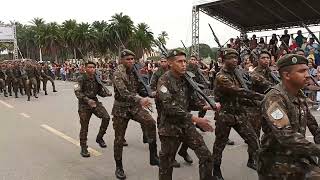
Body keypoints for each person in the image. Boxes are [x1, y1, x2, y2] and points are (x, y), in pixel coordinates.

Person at [157, 49, 219, 180]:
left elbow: (192, 101)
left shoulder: (186, 79)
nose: (184, 64)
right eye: (180, 61)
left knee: (206, 156)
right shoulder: (164, 80)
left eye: (185, 61)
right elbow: (169, 107)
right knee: (166, 165)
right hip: (170, 128)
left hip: (186, 125)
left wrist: (206, 105)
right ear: (170, 63)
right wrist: (195, 119)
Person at [258, 54, 320, 180]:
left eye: (307, 70)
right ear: (287, 75)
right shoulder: (274, 98)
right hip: (277, 162)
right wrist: (317, 149)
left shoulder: (299, 94)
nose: (307, 74)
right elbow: (286, 136)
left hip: (297, 156)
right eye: (302, 71)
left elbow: (312, 124)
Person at [212, 48, 262, 180]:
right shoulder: (221, 76)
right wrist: (261, 97)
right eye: (230, 58)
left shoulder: (237, 74)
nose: (234, 60)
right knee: (220, 144)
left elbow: (244, 94)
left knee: (254, 140)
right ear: (224, 60)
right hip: (226, 115)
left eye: (236, 57)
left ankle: (251, 161)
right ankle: (216, 170)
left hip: (239, 113)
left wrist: (257, 103)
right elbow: (239, 91)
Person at [112, 49, 159, 179]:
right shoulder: (117, 73)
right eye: (128, 59)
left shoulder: (134, 72)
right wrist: (140, 99)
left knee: (150, 122)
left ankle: (153, 156)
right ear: (121, 60)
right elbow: (124, 93)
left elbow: (139, 89)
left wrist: (150, 93)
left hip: (134, 107)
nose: (131, 61)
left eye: (132, 59)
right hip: (121, 109)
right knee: (119, 139)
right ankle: (119, 167)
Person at [74, 61, 112, 157]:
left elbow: (99, 92)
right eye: (89, 67)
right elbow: (77, 92)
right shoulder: (81, 78)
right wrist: (87, 100)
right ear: (85, 68)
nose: (92, 69)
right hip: (84, 105)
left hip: (95, 102)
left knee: (106, 117)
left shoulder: (96, 78)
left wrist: (106, 94)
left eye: (93, 67)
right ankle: (83, 147)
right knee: (84, 127)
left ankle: (99, 138)